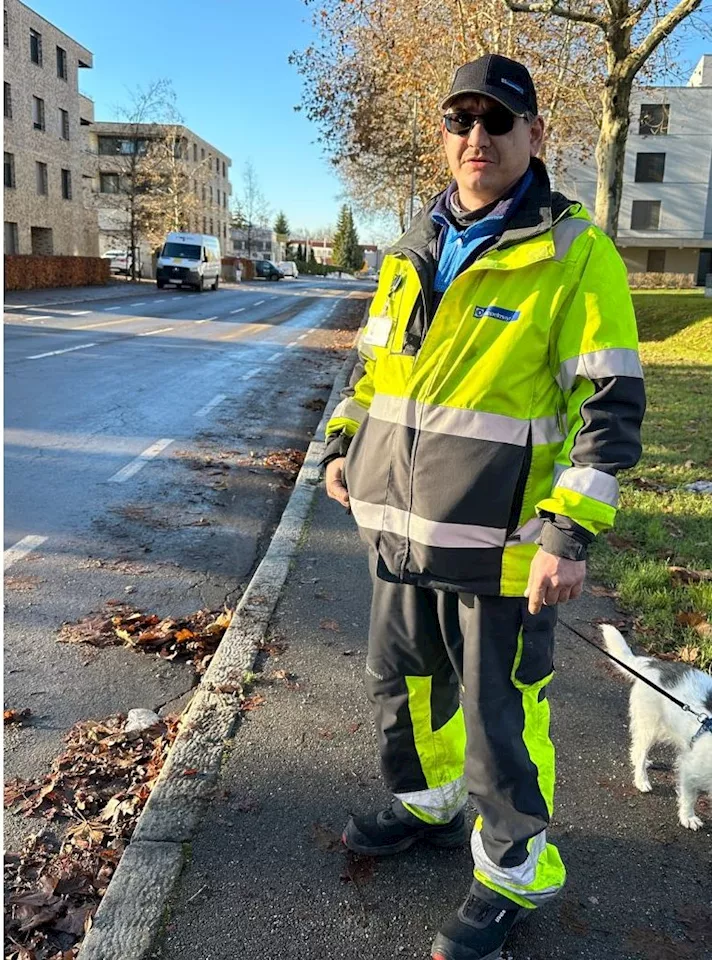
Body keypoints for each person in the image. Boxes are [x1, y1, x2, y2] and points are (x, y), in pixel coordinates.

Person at [320, 54, 645, 960]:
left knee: (505, 725)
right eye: (461, 119)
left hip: (506, 551)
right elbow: (375, 377)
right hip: (395, 530)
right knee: (405, 685)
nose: (477, 137)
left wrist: (570, 533)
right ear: (443, 137)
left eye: (498, 121)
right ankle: (426, 803)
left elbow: (609, 407)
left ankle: (513, 874)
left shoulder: (574, 254)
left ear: (536, 137)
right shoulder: (408, 253)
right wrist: (344, 445)